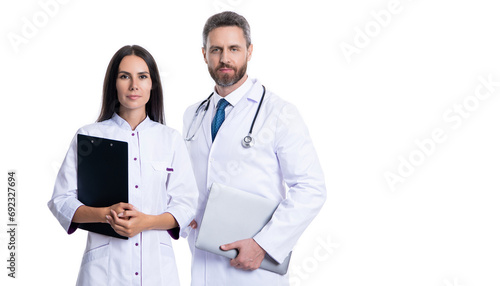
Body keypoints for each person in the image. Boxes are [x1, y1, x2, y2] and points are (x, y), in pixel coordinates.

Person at [183, 11, 327, 285]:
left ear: (249, 51)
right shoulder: (194, 115)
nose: (225, 59)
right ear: (204, 54)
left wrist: (264, 244)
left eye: (234, 49)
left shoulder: (280, 113)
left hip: (254, 271)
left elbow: (311, 188)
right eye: (216, 50)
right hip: (202, 265)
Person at [48, 45, 198, 286]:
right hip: (103, 273)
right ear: (113, 84)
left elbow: (187, 204)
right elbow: (61, 200)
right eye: (124, 76)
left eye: (142, 76)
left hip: (156, 270)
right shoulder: (89, 137)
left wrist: (145, 222)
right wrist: (106, 214)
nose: (134, 86)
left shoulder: (170, 139)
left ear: (153, 84)